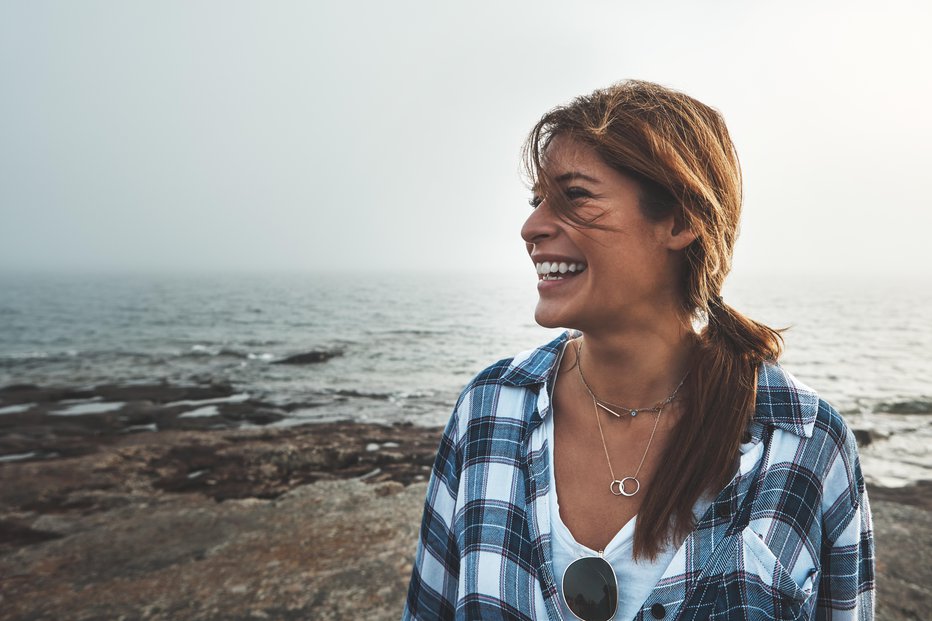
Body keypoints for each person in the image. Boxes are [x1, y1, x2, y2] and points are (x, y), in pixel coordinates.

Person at [402, 80, 874, 621]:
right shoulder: (489, 410)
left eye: (575, 195)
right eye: (537, 202)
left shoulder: (803, 442)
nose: (531, 228)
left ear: (679, 221)